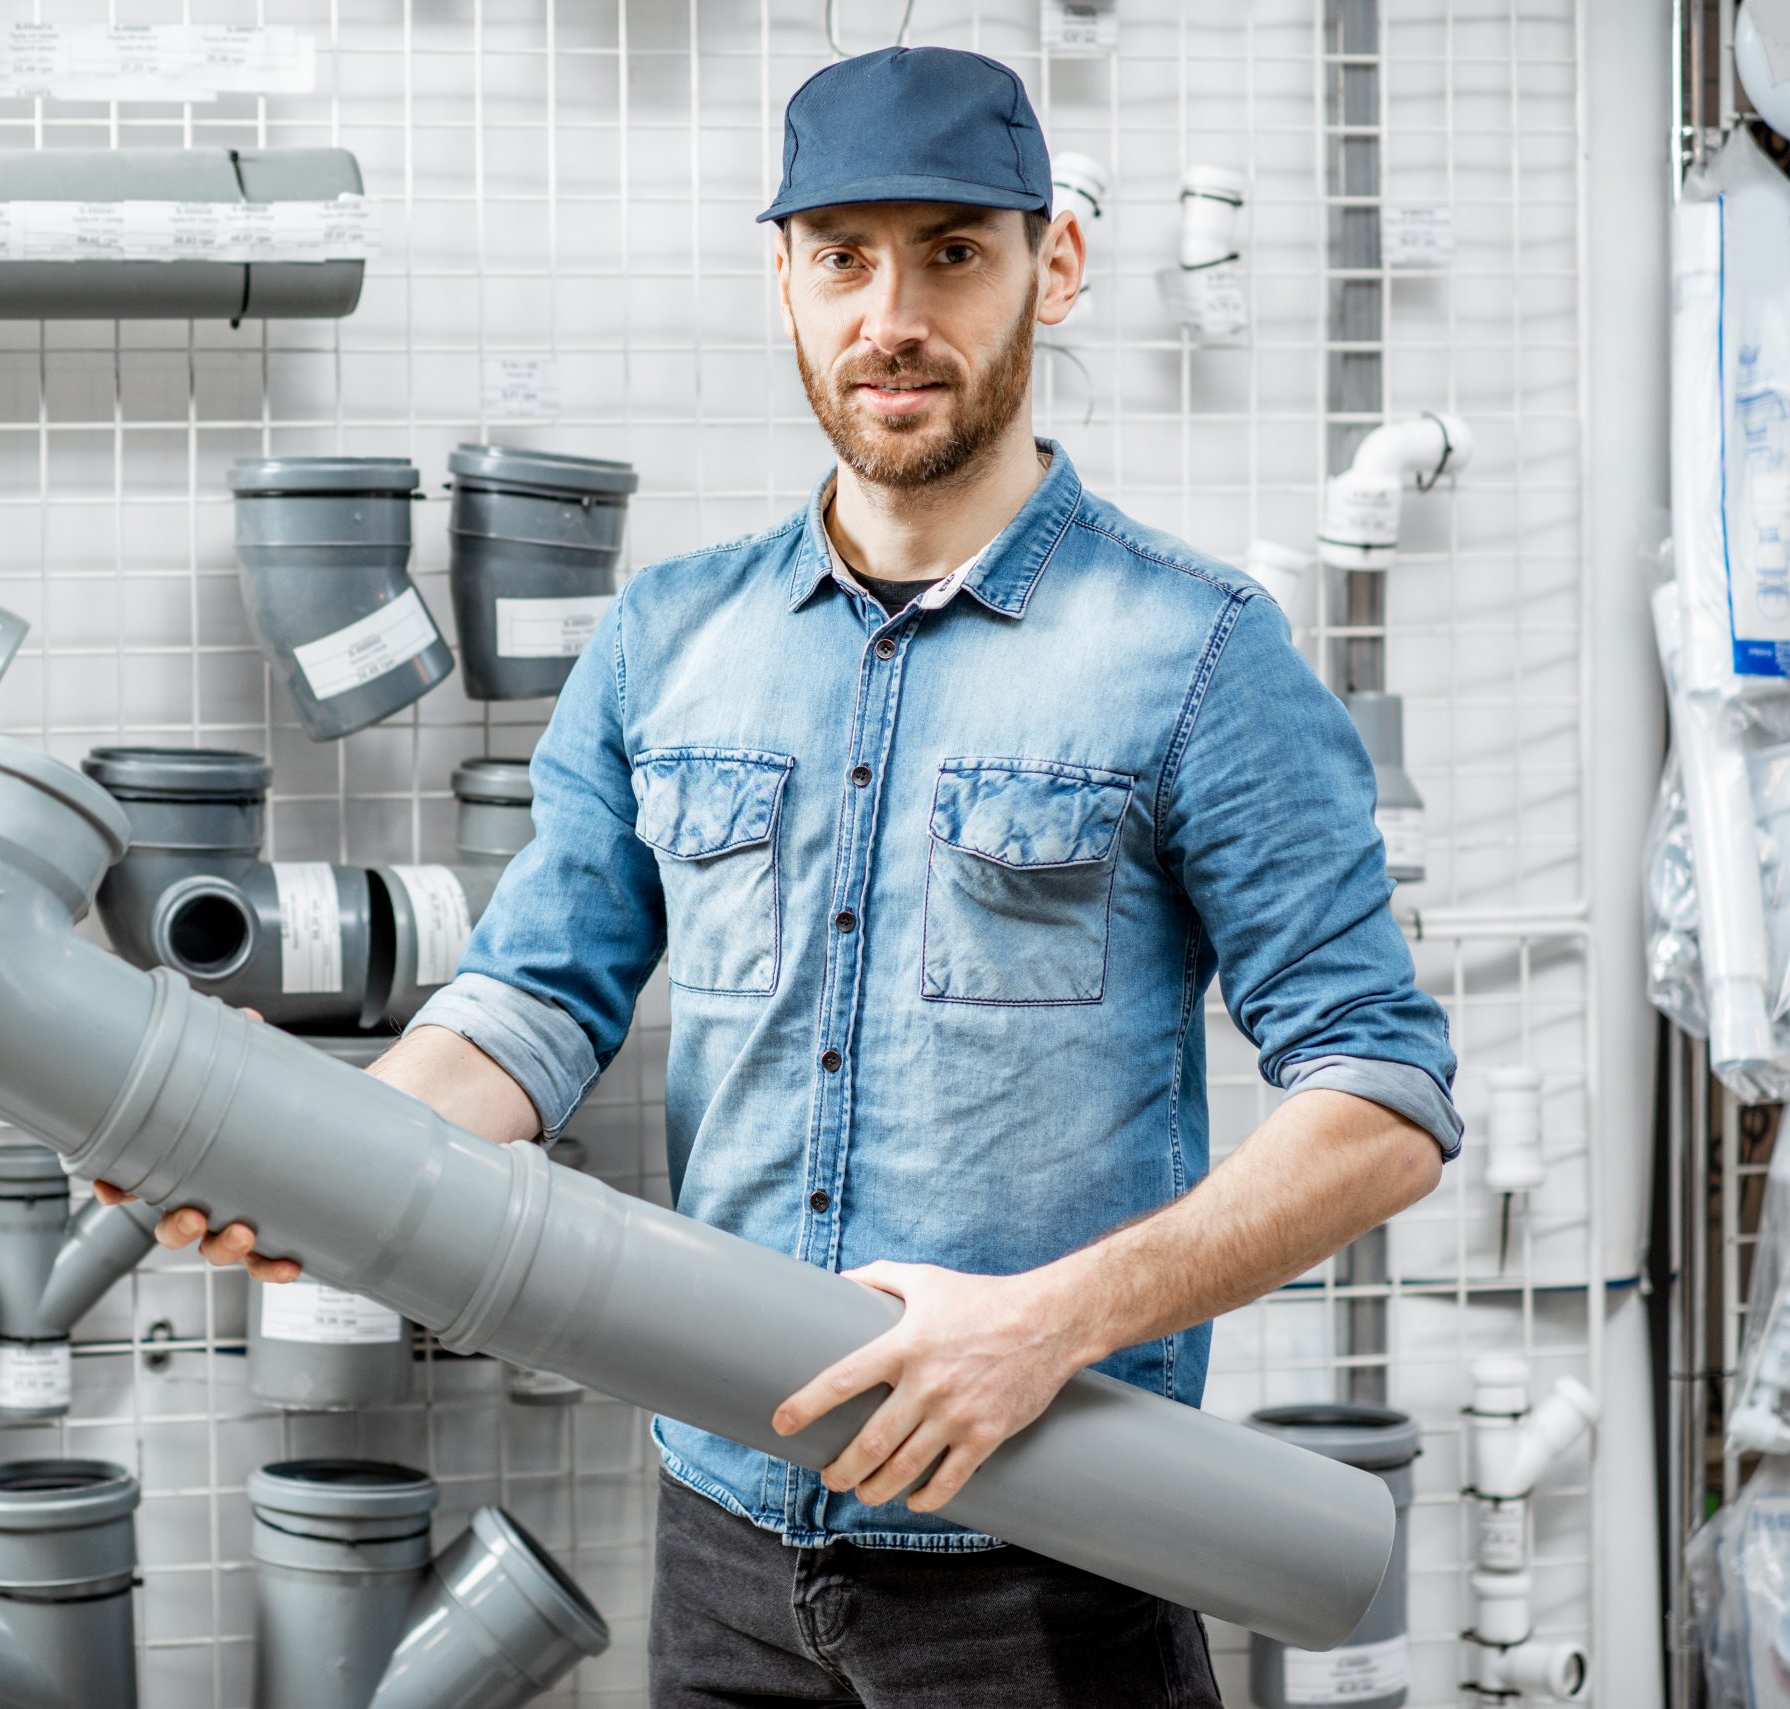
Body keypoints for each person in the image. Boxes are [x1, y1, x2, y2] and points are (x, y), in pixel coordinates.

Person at [117, 43, 1457, 1709]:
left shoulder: (1197, 656)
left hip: (1047, 1565)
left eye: (953, 251)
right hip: (726, 1560)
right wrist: (315, 1169)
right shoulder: (666, 639)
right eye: (842, 254)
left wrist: (1049, 1319)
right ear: (784, 277)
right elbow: (532, 1003)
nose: (891, 312)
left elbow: (1383, 1096)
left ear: (1060, 262)